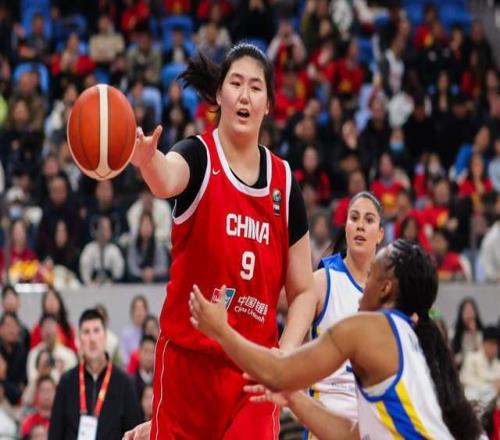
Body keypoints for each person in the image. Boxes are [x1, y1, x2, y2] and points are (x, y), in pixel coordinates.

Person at [124, 43, 316, 439]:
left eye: (256, 87)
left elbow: (303, 291)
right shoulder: (198, 155)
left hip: (253, 375)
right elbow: (166, 177)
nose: (245, 95)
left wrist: (283, 357)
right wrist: (147, 160)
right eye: (236, 83)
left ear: (268, 104)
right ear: (219, 95)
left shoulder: (283, 183)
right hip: (188, 367)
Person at [190, 239, 483, 439]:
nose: (362, 284)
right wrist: (293, 397)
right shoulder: (409, 338)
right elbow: (350, 436)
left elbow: (278, 373)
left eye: (371, 274)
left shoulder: (370, 328)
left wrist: (221, 331)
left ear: (385, 288)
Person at [306, 191, 384, 437]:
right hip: (328, 412)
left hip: (373, 419)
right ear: (346, 227)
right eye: (354, 218)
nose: (360, 225)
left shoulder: (389, 293)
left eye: (369, 220)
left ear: (380, 234)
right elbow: (291, 349)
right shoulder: (322, 280)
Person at [49, 309, 141, 440]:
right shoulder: (67, 382)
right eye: (86, 332)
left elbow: (134, 433)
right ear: (79, 340)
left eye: (96, 331)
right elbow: (55, 433)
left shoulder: (124, 383)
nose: (92, 339)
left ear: (105, 337)